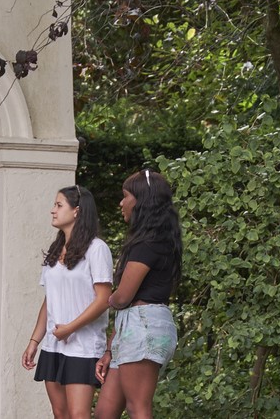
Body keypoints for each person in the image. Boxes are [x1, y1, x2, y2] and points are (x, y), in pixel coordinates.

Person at [95, 170, 182, 419]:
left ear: (142, 201)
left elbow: (123, 297)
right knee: (104, 413)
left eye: (125, 196)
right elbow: (128, 305)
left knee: (138, 408)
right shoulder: (152, 240)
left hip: (143, 326)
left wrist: (106, 299)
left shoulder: (149, 243)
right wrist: (111, 350)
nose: (121, 203)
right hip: (135, 326)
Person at [22, 186, 113, 419]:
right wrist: (35, 340)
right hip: (53, 345)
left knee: (78, 415)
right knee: (60, 414)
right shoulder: (55, 250)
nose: (52, 210)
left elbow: (104, 300)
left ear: (77, 211)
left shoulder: (97, 249)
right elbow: (49, 300)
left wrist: (70, 328)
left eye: (59, 205)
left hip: (82, 347)